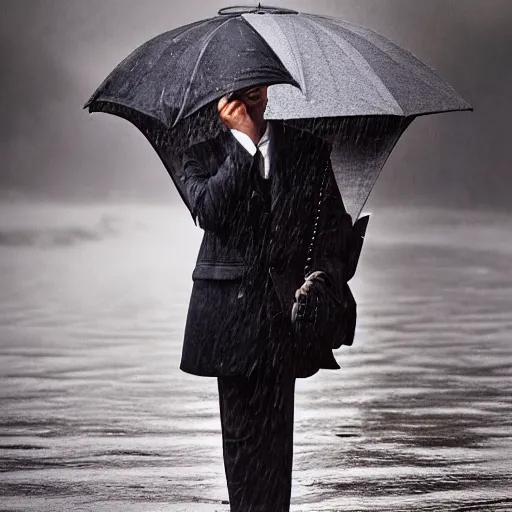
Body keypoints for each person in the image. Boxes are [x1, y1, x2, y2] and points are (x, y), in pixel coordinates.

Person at [179, 85, 353, 512]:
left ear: (271, 89)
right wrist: (242, 142)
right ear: (219, 95)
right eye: (235, 86)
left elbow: (332, 234)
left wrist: (319, 281)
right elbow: (211, 211)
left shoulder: (307, 150)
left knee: (276, 457)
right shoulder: (199, 152)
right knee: (241, 454)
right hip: (227, 326)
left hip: (284, 324)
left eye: (256, 83)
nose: (245, 91)